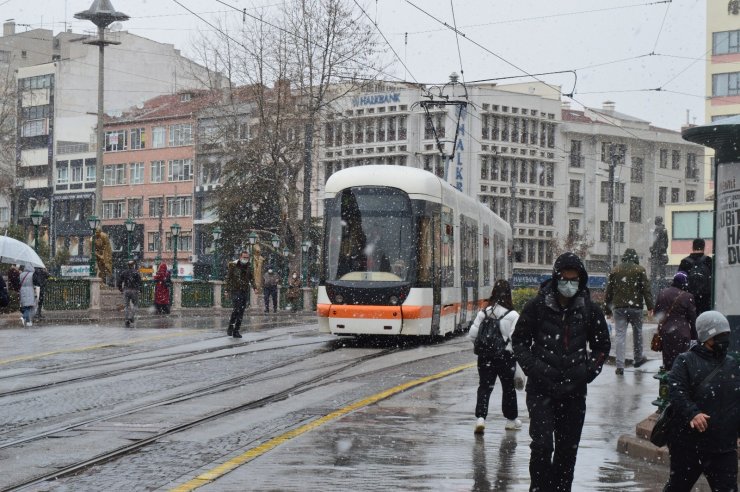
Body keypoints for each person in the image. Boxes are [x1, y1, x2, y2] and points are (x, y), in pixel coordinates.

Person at [512, 252, 611, 492]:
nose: (569, 284)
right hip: (541, 390)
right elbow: (520, 340)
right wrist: (533, 368)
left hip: (574, 393)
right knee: (542, 446)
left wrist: (586, 372)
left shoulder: (589, 309)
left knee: (567, 451)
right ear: (556, 278)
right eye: (564, 279)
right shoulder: (537, 306)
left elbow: (601, 346)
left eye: (573, 279)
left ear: (581, 280)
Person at [663, 311, 740, 492]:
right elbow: (676, 392)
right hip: (689, 445)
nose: (724, 339)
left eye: (726, 335)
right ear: (706, 336)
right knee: (678, 487)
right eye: (719, 336)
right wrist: (693, 413)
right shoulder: (685, 361)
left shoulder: (732, 364)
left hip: (724, 446)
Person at [468, 279, 521, 434]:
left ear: (493, 293)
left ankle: (481, 418)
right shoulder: (513, 315)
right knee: (508, 388)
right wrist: (508, 350)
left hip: (485, 357)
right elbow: (516, 339)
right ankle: (511, 420)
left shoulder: (483, 313)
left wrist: (484, 346)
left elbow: (472, 335)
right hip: (505, 357)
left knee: (484, 386)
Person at [604, 248, 654, 375]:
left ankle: (620, 366)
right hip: (636, 307)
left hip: (619, 308)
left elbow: (608, 291)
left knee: (620, 336)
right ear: (635, 257)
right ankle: (637, 359)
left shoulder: (615, 270)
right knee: (638, 334)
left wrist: (607, 309)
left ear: (624, 257)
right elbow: (646, 290)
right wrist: (650, 306)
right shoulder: (640, 270)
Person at [655, 271, 697, 370]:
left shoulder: (663, 293)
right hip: (683, 333)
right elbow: (693, 319)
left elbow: (657, 313)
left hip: (666, 331)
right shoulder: (688, 296)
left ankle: (668, 381)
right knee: (682, 362)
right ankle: (680, 381)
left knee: (668, 361)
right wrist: (694, 336)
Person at [678, 238, 713, 315]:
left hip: (689, 298)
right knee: (705, 322)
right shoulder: (709, 261)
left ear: (693, 247)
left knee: (691, 321)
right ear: (704, 247)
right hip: (706, 299)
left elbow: (678, 281)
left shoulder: (684, 262)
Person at [225, 250, 256, 338]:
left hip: (244, 291)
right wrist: (227, 290)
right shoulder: (233, 266)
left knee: (241, 311)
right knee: (236, 309)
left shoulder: (249, 266)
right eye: (244, 257)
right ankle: (230, 327)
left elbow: (252, 278)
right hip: (235, 290)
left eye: (247, 257)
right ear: (240, 257)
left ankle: (236, 330)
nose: (245, 259)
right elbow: (229, 279)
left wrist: (255, 288)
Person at [117, 260, 142, 327]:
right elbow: (140, 282)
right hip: (134, 290)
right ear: (133, 265)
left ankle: (127, 319)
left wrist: (121, 289)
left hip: (126, 290)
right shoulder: (136, 273)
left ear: (127, 265)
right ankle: (131, 317)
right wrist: (140, 290)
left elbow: (119, 281)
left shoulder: (124, 272)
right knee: (136, 305)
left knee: (127, 306)